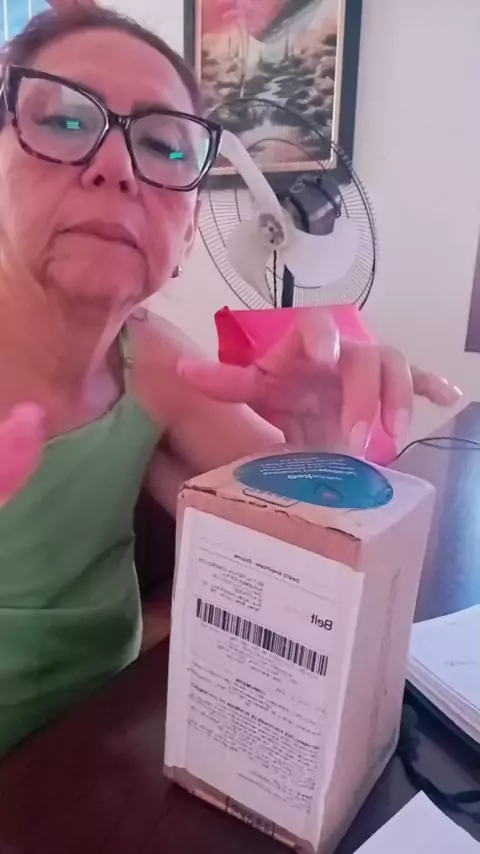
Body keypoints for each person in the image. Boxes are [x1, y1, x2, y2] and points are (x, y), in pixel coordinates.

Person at [0, 3, 460, 754]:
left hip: (104, 752)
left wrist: (322, 444)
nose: (116, 167)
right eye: (64, 121)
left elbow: (319, 563)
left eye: (163, 147)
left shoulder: (156, 365)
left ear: (187, 236)